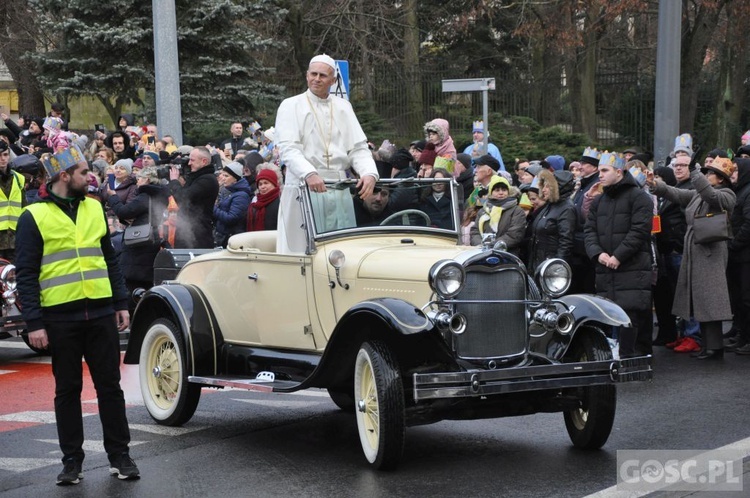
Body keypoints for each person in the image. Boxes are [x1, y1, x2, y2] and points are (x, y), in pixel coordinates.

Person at [14, 149, 139, 484]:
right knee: (67, 391)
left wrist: (120, 302)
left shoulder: (95, 207)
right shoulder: (34, 216)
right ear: (64, 176)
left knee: (110, 388)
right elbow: (26, 273)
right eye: (84, 172)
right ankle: (72, 461)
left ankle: (121, 456)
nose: (91, 178)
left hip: (100, 313)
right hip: (60, 318)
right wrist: (35, 323)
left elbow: (110, 260)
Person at [274, 53, 378, 253]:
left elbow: (358, 148)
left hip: (338, 189)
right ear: (306, 75)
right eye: (313, 74)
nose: (317, 79)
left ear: (333, 80)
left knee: (340, 252)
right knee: (301, 250)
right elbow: (289, 147)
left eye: (323, 75)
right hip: (303, 187)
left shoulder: (343, 107)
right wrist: (309, 173)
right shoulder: (290, 105)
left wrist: (369, 173)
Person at [648, 156, 736, 360]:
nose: (706, 176)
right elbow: (678, 193)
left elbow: (711, 197)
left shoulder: (727, 194)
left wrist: (695, 173)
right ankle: (707, 345)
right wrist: (656, 185)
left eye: (710, 173)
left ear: (721, 179)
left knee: (710, 302)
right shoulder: (699, 193)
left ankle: (714, 348)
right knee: (701, 302)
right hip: (697, 252)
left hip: (711, 254)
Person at [585, 152, 654, 358]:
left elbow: (640, 230)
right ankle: (615, 358)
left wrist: (618, 256)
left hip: (631, 267)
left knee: (631, 314)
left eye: (604, 171)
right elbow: (589, 231)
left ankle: (634, 358)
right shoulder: (599, 202)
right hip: (606, 268)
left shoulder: (639, 197)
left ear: (618, 171)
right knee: (609, 314)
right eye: (599, 171)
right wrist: (598, 254)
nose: (600, 175)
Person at [105, 166, 170, 312]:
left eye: (139, 178)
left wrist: (113, 196)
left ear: (147, 179)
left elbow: (124, 211)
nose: (137, 181)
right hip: (151, 242)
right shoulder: (159, 196)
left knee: (133, 287)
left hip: (139, 247)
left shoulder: (145, 196)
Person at [168, 146, 220, 248]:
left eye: (192, 160)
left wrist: (174, 181)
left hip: (198, 236)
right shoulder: (197, 177)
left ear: (204, 161)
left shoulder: (207, 180)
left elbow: (183, 198)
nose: (189, 163)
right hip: (188, 232)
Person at [723, 158, 750, 354]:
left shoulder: (747, 191)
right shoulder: (738, 190)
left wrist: (734, 244)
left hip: (745, 255)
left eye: (735, 172)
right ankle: (741, 335)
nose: (731, 175)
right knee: (738, 298)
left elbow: (748, 223)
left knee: (746, 298)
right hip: (736, 255)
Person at [527, 169, 576, 272]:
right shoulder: (550, 205)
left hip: (551, 267)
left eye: (547, 186)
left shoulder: (566, 208)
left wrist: (557, 268)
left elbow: (565, 242)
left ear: (557, 187)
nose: (543, 190)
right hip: (539, 263)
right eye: (543, 186)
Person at [470, 176, 526, 252]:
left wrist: (492, 245)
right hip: (482, 253)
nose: (501, 193)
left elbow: (514, 234)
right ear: (491, 192)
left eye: (504, 190)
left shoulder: (516, 211)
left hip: (507, 255)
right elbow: (475, 231)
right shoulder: (483, 211)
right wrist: (480, 244)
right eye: (497, 190)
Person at [213, 162, 252, 247]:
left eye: (226, 176)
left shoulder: (241, 196)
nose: (223, 178)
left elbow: (231, 217)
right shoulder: (228, 191)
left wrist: (213, 208)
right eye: (222, 175)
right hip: (224, 236)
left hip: (231, 239)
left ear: (235, 179)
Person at [0, 141, 27, 261]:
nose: (3, 159)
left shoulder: (19, 178)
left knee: (13, 275)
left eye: (5, 155)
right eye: (0, 155)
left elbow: (24, 206)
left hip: (15, 237)